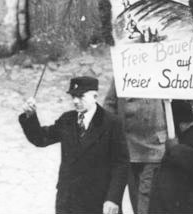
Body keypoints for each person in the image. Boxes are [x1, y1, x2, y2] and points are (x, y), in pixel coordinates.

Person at [19, 76, 128, 214]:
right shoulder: (67, 119)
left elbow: (121, 164)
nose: (76, 101)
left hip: (98, 202)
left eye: (80, 96)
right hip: (68, 201)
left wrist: (113, 199)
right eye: (73, 96)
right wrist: (30, 116)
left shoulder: (112, 123)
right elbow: (41, 139)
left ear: (95, 96)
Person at [103, 82, 166, 214]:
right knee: (134, 197)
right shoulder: (122, 73)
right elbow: (109, 105)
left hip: (154, 148)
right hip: (128, 148)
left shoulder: (162, 72)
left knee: (146, 198)